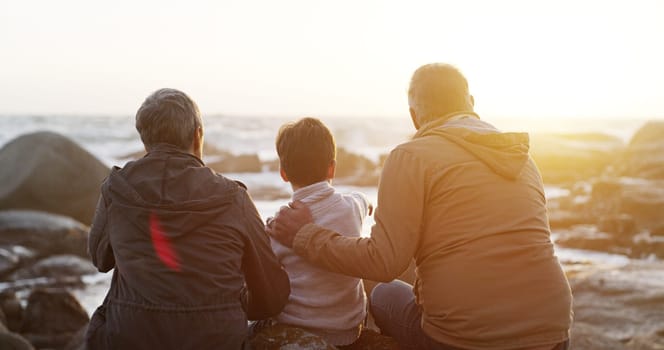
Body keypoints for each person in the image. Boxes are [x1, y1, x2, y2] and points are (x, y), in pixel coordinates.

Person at [268, 63, 573, 350]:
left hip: (464, 339)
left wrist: (305, 235)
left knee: (385, 294)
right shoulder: (521, 157)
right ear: (471, 102)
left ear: (414, 117)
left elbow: (383, 263)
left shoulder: (410, 157)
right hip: (553, 331)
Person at [86, 88, 290, 349]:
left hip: (132, 337)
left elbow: (100, 259)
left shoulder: (117, 188)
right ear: (198, 135)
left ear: (145, 139)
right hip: (215, 339)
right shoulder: (234, 198)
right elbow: (271, 296)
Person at [263, 117, 372, 346]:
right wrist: (365, 202)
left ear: (283, 173)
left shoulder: (279, 226)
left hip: (298, 329)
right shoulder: (351, 207)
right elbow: (362, 200)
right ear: (332, 167)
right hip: (349, 330)